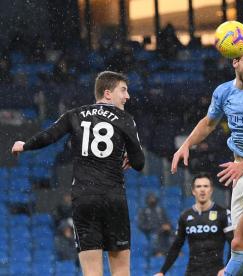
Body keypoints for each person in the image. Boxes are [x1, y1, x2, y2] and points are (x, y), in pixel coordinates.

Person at [11, 71, 145, 276]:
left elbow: (49, 135)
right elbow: (139, 163)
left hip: (85, 198)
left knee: (91, 272)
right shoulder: (125, 119)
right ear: (107, 93)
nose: (127, 96)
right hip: (113, 198)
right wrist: (127, 154)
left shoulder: (74, 114)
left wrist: (25, 145)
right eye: (123, 90)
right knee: (121, 271)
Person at [171, 43, 243, 276]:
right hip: (241, 171)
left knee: (238, 244)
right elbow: (209, 122)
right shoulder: (223, 92)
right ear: (235, 62)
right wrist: (186, 144)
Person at [155, 173, 233, 276]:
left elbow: (234, 244)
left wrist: (227, 268)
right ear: (193, 191)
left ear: (211, 190)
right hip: (192, 272)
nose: (202, 190)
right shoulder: (185, 216)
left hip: (216, 272)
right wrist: (162, 271)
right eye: (198, 186)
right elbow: (176, 247)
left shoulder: (223, 214)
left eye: (206, 186)